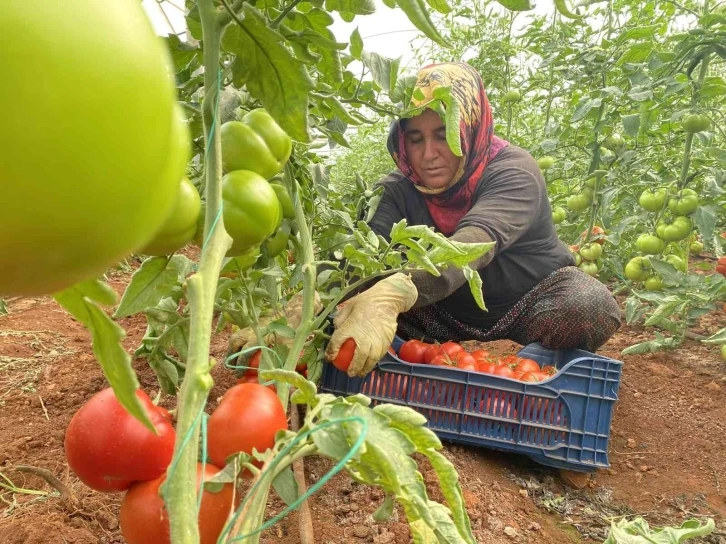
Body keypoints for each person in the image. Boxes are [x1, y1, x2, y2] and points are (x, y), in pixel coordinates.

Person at [325, 62, 621, 378]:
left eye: (443, 135)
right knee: (343, 311)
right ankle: (415, 360)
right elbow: (359, 260)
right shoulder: (396, 190)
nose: (428, 154)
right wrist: (318, 301)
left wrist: (392, 294)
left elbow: (476, 241)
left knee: (589, 305)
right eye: (415, 139)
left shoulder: (513, 172)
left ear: (469, 127)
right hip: (437, 309)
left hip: (525, 304)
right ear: (401, 142)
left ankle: (532, 370)